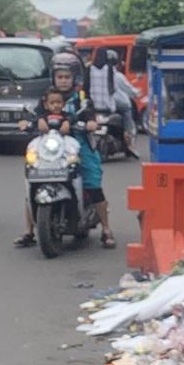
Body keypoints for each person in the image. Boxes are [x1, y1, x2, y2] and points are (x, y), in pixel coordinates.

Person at [16, 59, 116, 249]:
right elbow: (34, 115)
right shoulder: (46, 97)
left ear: (74, 78)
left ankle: (106, 229)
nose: (63, 81)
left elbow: (89, 115)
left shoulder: (81, 98)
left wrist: (91, 123)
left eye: (67, 77)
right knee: (33, 179)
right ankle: (29, 230)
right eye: (59, 77)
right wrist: (31, 122)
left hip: (77, 144)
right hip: (50, 146)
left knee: (93, 184)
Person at [86, 48, 138, 137]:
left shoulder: (89, 69)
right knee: (127, 108)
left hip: (93, 106)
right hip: (109, 106)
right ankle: (128, 134)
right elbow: (114, 89)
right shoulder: (114, 73)